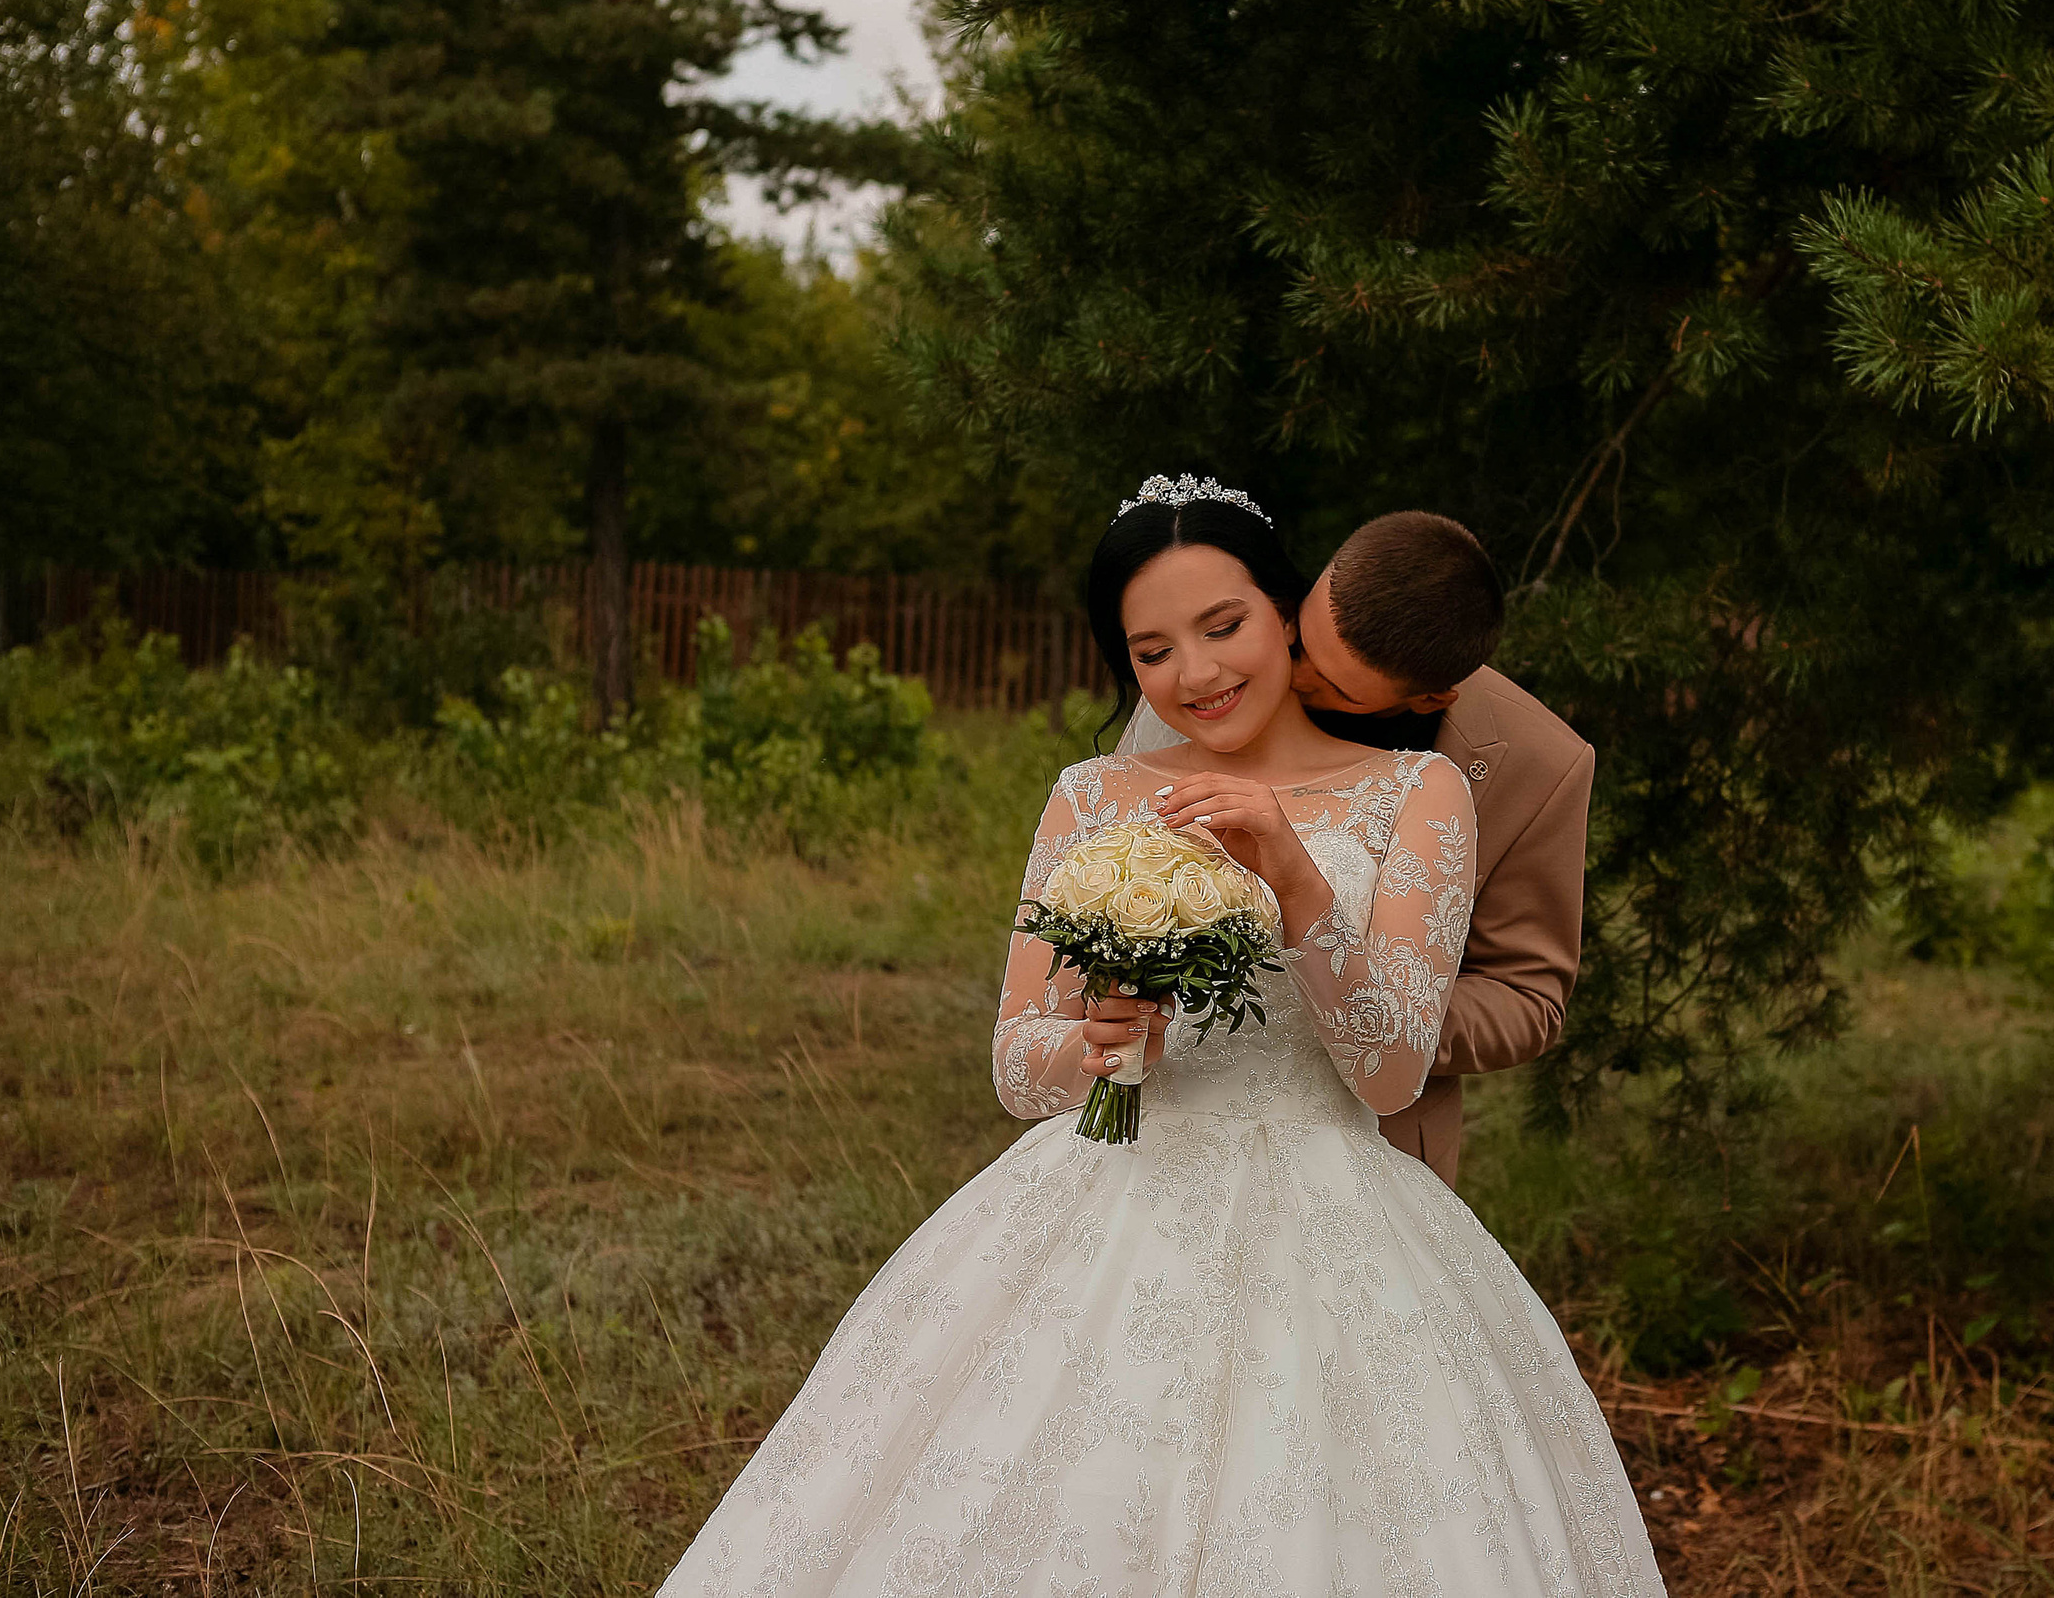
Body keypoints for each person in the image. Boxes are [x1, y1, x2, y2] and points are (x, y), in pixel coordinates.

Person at [656, 476, 1666, 1597]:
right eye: (1150, 651)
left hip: (1332, 1203)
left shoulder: (1417, 790)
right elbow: (1014, 1063)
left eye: (1223, 626)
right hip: (1101, 1201)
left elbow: (1386, 1072)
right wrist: (1099, 1042)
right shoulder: (1092, 796)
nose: (1194, 675)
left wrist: (1293, 877)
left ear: (1287, 612)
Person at [1115, 508, 1594, 1186]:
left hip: (1373, 1144)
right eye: (1302, 634)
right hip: (1176, 1108)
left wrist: (1360, 1004)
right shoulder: (1236, 660)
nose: (1293, 670)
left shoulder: (1539, 764)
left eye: (1335, 685)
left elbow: (1528, 996)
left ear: (1430, 698)